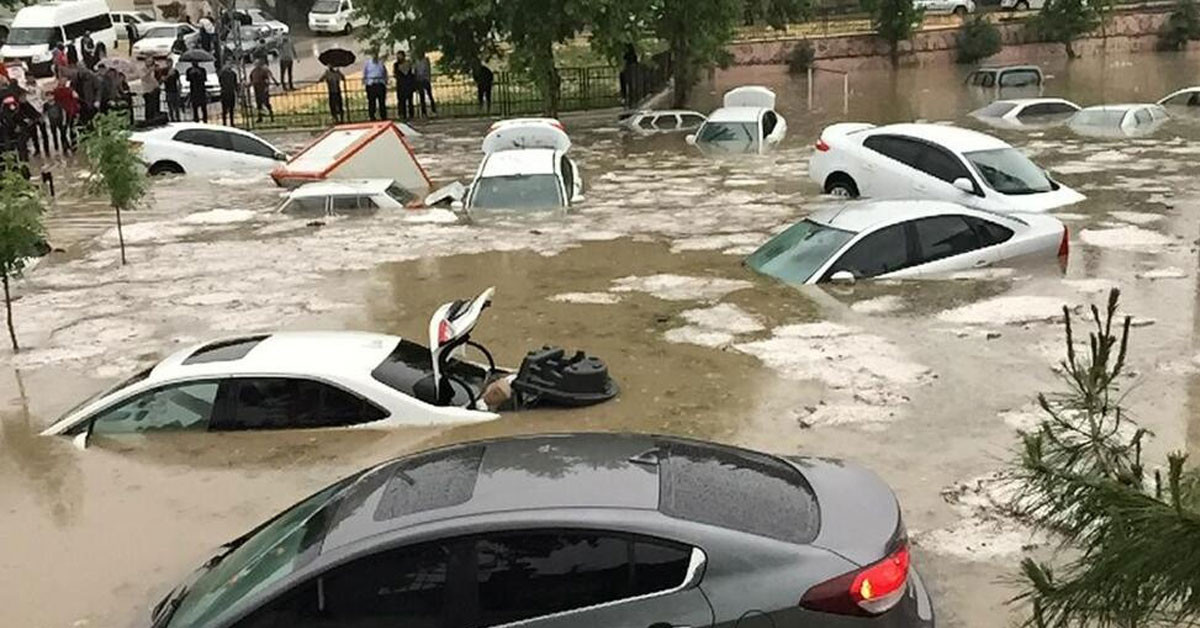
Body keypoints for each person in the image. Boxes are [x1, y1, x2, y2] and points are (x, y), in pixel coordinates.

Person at [21, 77, 48, 157]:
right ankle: (37, 150)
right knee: (33, 134)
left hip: (40, 112)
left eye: (31, 77)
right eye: (28, 77)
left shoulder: (40, 86)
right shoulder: (23, 88)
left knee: (44, 133)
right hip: (30, 114)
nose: (30, 79)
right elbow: (23, 103)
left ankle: (47, 149)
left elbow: (44, 98)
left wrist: (43, 112)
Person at [50, 77, 78, 152]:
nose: (63, 82)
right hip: (61, 113)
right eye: (62, 81)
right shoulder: (57, 91)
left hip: (70, 112)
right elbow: (53, 100)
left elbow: (75, 100)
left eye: (65, 81)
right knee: (63, 130)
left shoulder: (70, 90)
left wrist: (75, 111)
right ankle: (65, 145)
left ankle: (73, 145)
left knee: (72, 129)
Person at [248, 58, 276, 122]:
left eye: (257, 63)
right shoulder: (253, 72)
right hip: (256, 90)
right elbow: (252, 80)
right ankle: (260, 117)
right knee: (259, 104)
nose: (256, 65)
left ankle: (272, 117)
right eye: (255, 64)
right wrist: (248, 85)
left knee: (266, 103)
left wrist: (266, 88)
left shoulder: (263, 71)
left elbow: (267, 80)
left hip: (263, 89)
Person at [363, 51, 387, 120]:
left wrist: (385, 81)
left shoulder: (381, 63)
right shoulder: (368, 64)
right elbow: (365, 73)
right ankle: (372, 116)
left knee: (382, 102)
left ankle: (383, 116)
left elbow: (384, 72)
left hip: (380, 84)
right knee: (371, 102)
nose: (375, 56)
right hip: (371, 84)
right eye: (373, 55)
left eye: (376, 55)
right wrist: (366, 82)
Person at [413, 51, 436, 117]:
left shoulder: (426, 60)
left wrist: (427, 78)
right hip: (419, 80)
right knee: (421, 96)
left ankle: (433, 110)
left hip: (425, 79)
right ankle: (424, 112)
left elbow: (428, 70)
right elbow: (415, 70)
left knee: (429, 95)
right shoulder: (416, 61)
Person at [393, 51, 414, 120]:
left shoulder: (408, 64)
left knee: (410, 100)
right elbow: (395, 74)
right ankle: (402, 114)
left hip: (408, 84)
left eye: (400, 55)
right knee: (401, 100)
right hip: (400, 85)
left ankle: (411, 114)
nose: (399, 57)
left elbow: (411, 74)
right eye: (398, 56)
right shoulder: (396, 64)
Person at [218, 61, 238, 126]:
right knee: (229, 109)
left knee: (226, 109)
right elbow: (235, 83)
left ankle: (226, 122)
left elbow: (220, 82)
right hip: (229, 92)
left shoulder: (222, 73)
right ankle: (230, 122)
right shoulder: (232, 73)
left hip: (226, 92)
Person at [141, 57, 160, 122]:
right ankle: (148, 119)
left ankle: (154, 119)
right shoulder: (143, 69)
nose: (150, 63)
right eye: (148, 61)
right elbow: (143, 77)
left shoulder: (153, 71)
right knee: (148, 106)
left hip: (154, 90)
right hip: (147, 91)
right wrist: (150, 71)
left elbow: (153, 79)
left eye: (151, 61)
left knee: (154, 106)